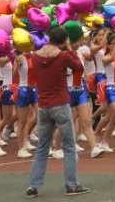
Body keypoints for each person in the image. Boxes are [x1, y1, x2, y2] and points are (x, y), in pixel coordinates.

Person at [25, 27, 89, 198]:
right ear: (64, 41)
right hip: (60, 103)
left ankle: (33, 185)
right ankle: (71, 185)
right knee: (69, 146)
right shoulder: (63, 56)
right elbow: (78, 67)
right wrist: (70, 48)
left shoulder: (36, 56)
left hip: (43, 105)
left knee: (42, 147)